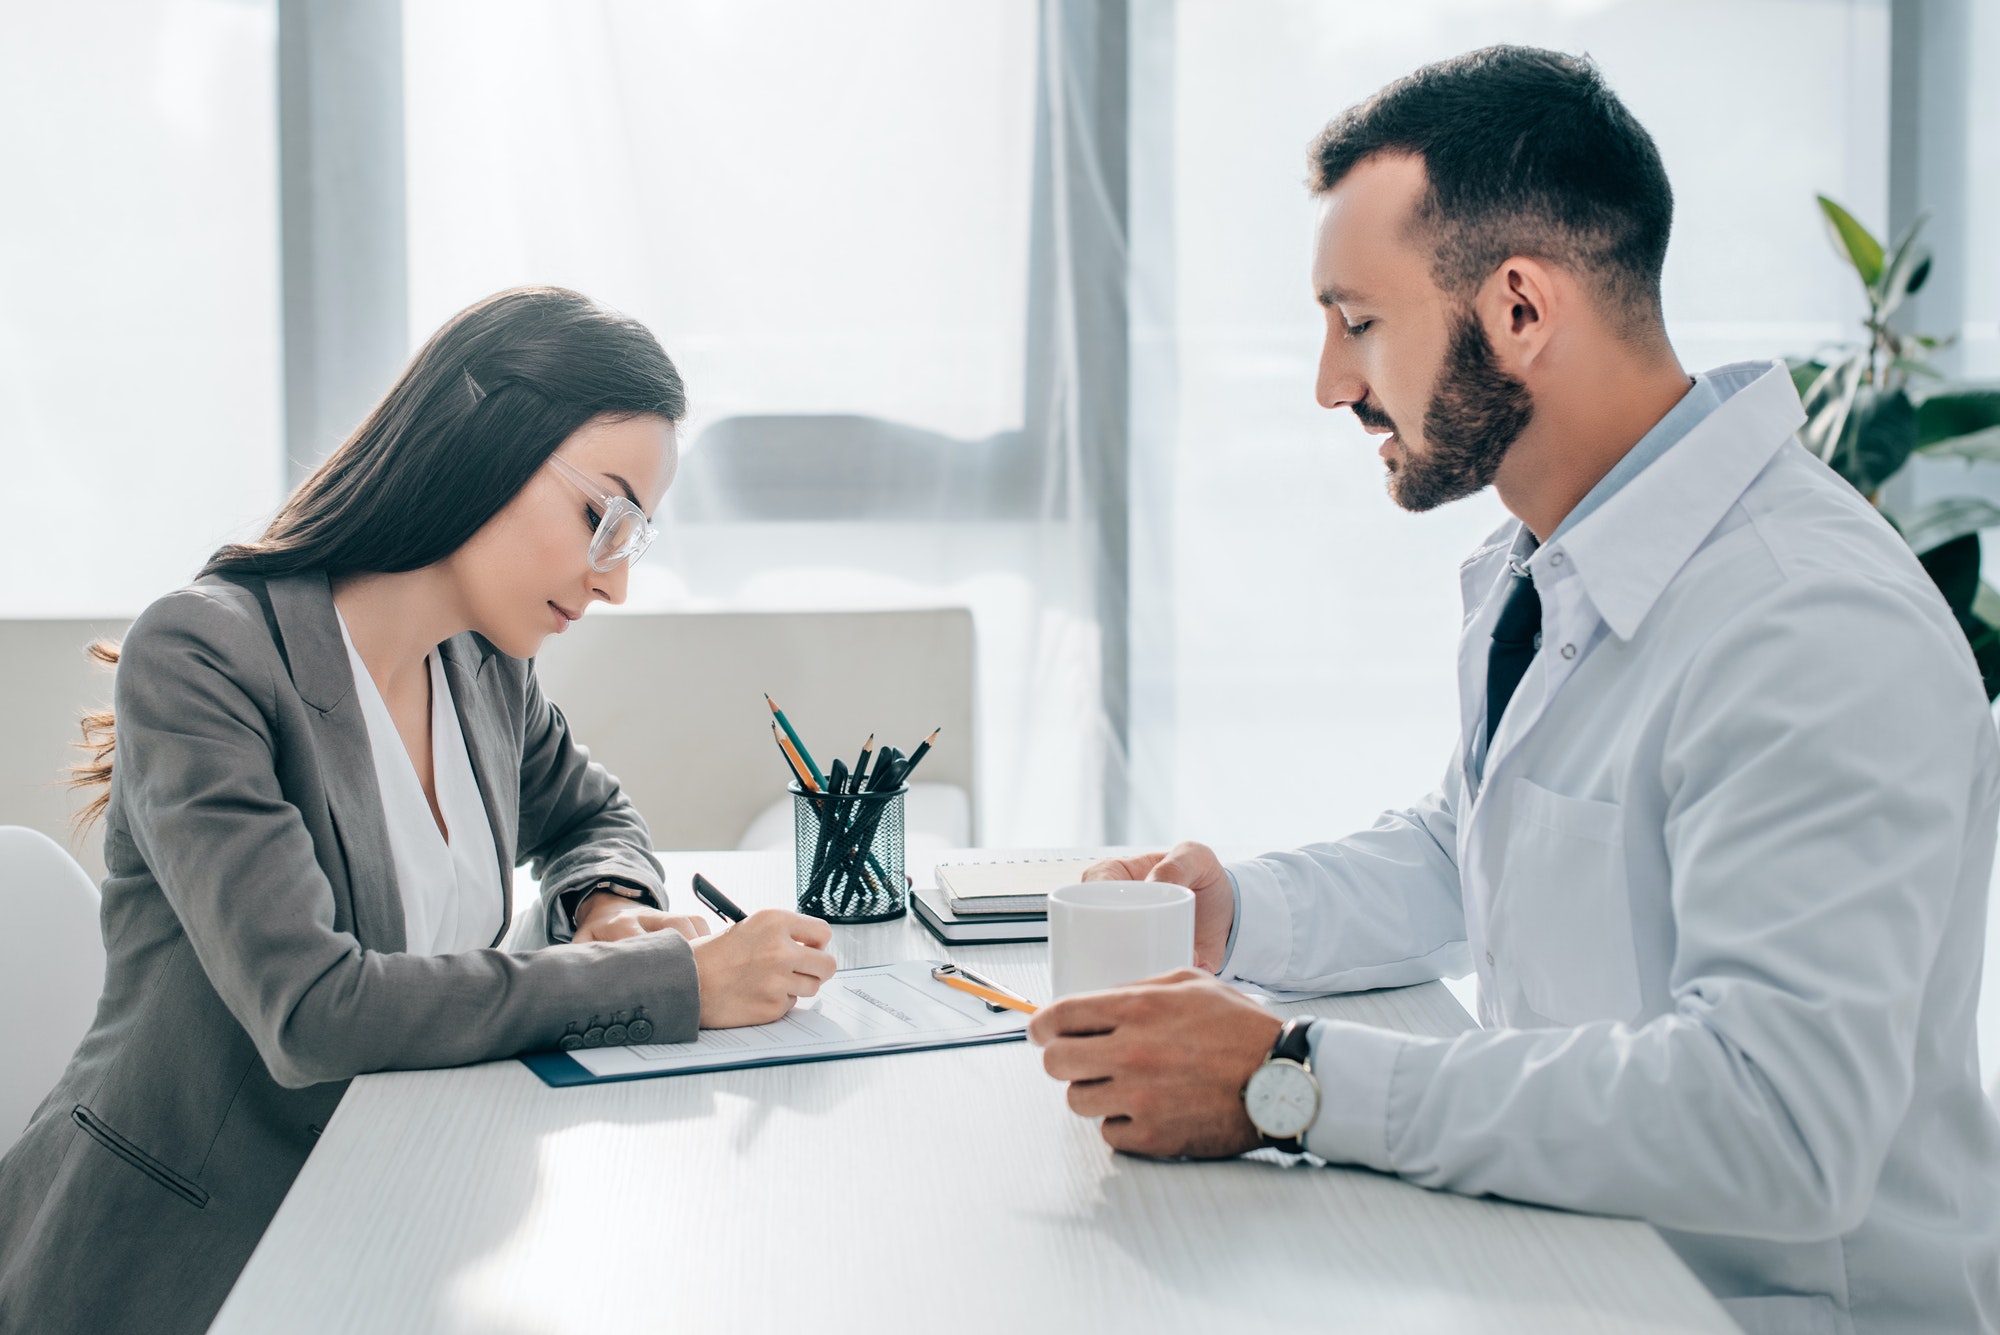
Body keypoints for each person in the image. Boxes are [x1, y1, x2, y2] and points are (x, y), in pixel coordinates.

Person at [1029, 46, 2000, 1335]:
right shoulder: (1554, 560)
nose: (1329, 383)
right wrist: (1237, 914)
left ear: (1520, 311)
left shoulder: (1805, 624)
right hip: (1572, 1268)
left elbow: (1779, 1122)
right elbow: (1475, 844)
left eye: (1357, 322)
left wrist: (1291, 1079)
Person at [0, 286, 838, 1335]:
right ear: (482, 437)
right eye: (600, 516)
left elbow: (591, 818)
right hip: (183, 1266)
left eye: (635, 537)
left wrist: (608, 909)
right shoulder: (206, 655)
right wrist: (668, 976)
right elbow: (314, 1012)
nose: (613, 580)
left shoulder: (482, 666)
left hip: (398, 1213)